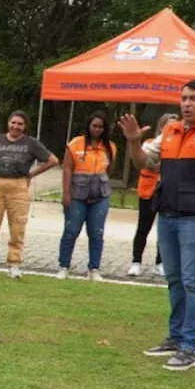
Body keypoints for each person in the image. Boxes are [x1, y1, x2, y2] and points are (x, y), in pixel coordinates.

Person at [121, 78, 195, 371]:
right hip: (169, 215)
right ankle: (176, 338)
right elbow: (144, 164)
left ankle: (191, 348)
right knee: (174, 279)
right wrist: (134, 140)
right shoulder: (171, 130)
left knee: (193, 281)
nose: (186, 103)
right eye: (184, 98)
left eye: (193, 98)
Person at [0, 111, 59, 279]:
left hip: (18, 186)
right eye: (13, 122)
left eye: (20, 124)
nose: (16, 126)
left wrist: (31, 174)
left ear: (25, 126)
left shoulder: (31, 143)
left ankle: (14, 264)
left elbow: (53, 160)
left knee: (17, 226)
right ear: (8, 123)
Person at [56, 111, 115, 281]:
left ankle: (94, 268)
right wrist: (66, 193)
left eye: (101, 127)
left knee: (97, 232)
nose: (97, 129)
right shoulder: (75, 144)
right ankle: (63, 266)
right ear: (89, 126)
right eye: (94, 125)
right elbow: (67, 168)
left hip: (100, 196)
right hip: (77, 194)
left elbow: (109, 169)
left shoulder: (110, 147)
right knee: (71, 230)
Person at [128, 113, 176, 277]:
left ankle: (160, 262)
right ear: (161, 127)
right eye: (167, 125)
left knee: (165, 230)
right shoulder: (150, 143)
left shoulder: (178, 146)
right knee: (143, 228)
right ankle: (136, 262)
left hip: (168, 192)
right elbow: (147, 165)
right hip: (149, 191)